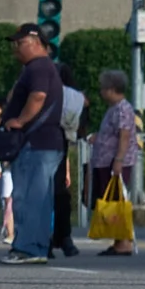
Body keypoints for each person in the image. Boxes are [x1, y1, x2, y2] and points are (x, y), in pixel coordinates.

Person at [0, 25, 68, 265]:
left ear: (35, 42)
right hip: (46, 143)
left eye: (19, 43)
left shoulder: (37, 67)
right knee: (40, 197)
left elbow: (38, 96)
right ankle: (37, 246)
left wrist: (20, 120)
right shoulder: (45, 67)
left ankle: (26, 248)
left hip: (35, 143)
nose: (15, 49)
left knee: (27, 196)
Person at [89, 68, 141, 255]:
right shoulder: (113, 109)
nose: (101, 92)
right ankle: (118, 239)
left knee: (117, 201)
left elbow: (124, 136)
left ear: (112, 89)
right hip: (105, 161)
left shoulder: (123, 109)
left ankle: (123, 241)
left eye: (103, 88)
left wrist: (118, 160)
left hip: (115, 162)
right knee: (111, 200)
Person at [50, 63, 87, 258]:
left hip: (47, 146)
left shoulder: (50, 94)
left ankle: (50, 238)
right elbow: (81, 130)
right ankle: (63, 237)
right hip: (61, 146)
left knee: (45, 195)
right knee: (60, 196)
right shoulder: (76, 98)